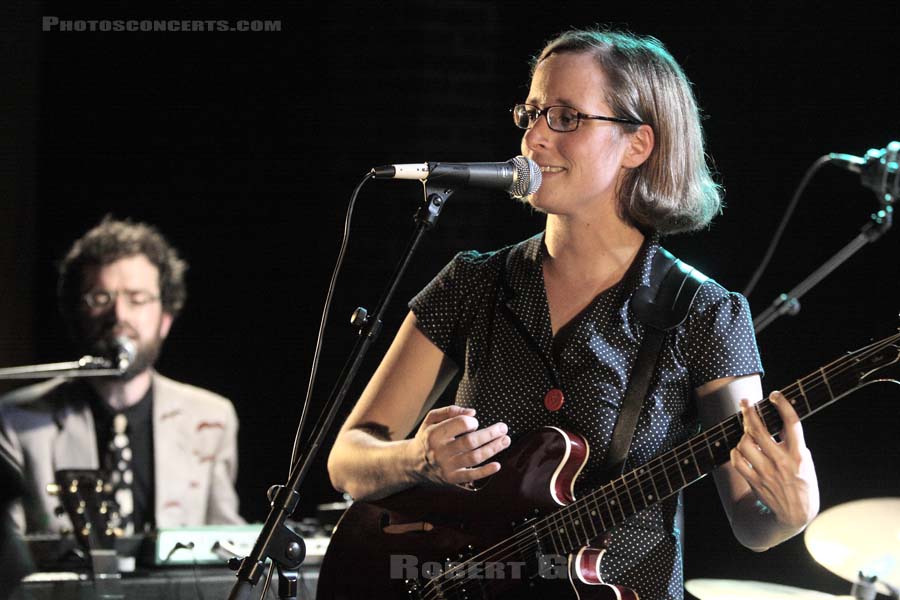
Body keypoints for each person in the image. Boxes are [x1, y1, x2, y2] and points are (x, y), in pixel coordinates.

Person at [326, 28, 820, 599]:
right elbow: (347, 460)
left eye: (566, 117)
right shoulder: (472, 282)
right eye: (532, 113)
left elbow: (753, 524)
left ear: (638, 144)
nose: (534, 138)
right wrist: (418, 459)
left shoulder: (707, 314)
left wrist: (788, 512)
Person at [0, 216, 243, 535]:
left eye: (138, 299)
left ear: (165, 318)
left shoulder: (211, 418)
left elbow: (225, 546)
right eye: (101, 298)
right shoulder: (17, 421)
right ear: (75, 314)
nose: (120, 316)